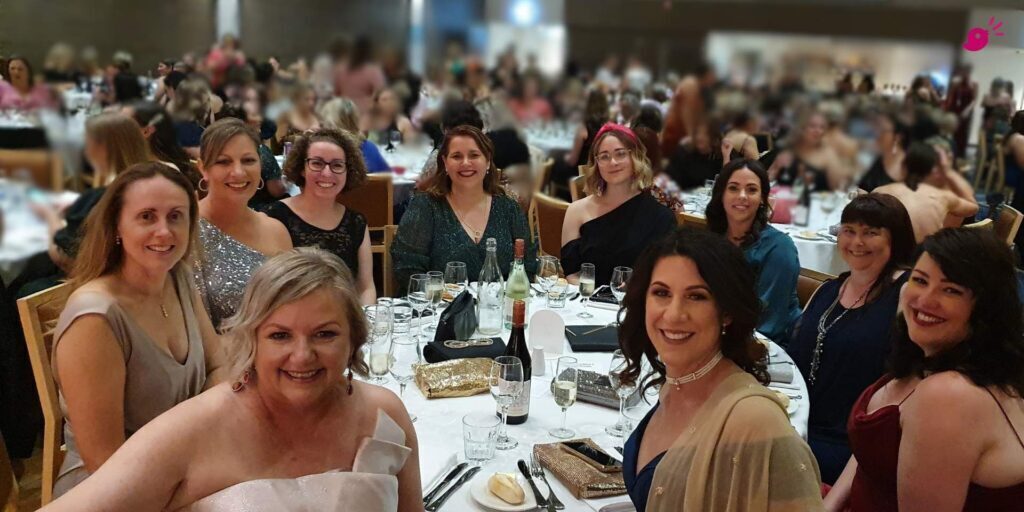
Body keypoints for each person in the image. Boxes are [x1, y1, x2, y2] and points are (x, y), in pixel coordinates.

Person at [41, 248, 421, 511]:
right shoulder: (193, 429)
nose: (302, 355)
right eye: (280, 336)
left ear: (354, 337)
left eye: (325, 334)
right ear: (251, 339)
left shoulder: (382, 416)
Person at [49, 162, 226, 497]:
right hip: (113, 492)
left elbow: (219, 364)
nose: (164, 231)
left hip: (184, 465)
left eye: (176, 216)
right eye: (147, 216)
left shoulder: (179, 278)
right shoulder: (95, 319)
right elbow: (106, 465)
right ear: (117, 226)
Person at [620, 228, 824, 512]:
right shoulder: (675, 384)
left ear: (726, 312)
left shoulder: (756, 422)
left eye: (697, 296)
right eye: (661, 292)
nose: (674, 313)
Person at [825, 228, 1024, 511]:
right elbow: (871, 456)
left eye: (951, 290)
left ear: (986, 308)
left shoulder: (949, 397)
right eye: (920, 280)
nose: (925, 300)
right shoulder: (930, 356)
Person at [788, 194, 916, 484]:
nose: (857, 242)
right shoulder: (830, 289)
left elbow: (906, 380)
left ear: (895, 239)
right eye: (849, 231)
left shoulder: (905, 294)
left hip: (848, 441)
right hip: (798, 420)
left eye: (871, 233)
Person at [392, 125, 536, 293]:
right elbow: (408, 271)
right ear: (445, 163)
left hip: (498, 309)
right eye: (456, 156)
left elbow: (528, 264)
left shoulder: (508, 208)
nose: (466, 163)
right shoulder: (425, 207)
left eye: (474, 155)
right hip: (440, 311)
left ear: (488, 161)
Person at [193, 118, 293, 331]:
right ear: (203, 168)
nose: (238, 172)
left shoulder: (277, 230)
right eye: (223, 162)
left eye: (248, 160)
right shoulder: (186, 230)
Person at [264, 128, 376, 304]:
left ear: (348, 171)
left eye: (337, 165)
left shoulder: (356, 222)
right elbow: (272, 290)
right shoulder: (275, 217)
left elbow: (365, 288)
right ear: (302, 168)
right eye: (317, 163)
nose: (327, 173)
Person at [561, 123, 675, 285]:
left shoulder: (662, 218)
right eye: (604, 156)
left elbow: (665, 276)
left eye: (620, 154)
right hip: (586, 305)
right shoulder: (576, 211)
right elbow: (572, 274)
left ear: (635, 158)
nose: (613, 162)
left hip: (635, 305)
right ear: (597, 164)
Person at [706, 159, 800, 346]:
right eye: (733, 188)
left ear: (762, 199)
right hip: (713, 335)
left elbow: (768, 322)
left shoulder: (779, 248)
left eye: (751, 190)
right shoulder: (712, 239)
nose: (742, 196)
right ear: (721, 194)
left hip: (764, 348)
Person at [874, 142, 978, 242]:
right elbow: (973, 206)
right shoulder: (944, 196)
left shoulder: (878, 192)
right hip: (924, 256)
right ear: (933, 170)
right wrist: (948, 171)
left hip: (887, 255)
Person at [213, 104, 289, 209]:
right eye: (254, 114)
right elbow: (277, 191)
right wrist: (290, 180)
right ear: (240, 121)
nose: (260, 118)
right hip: (259, 210)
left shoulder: (214, 149)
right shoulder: (260, 152)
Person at [121, 99, 200, 188]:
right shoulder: (121, 163)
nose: (116, 129)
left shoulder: (166, 173)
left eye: (124, 124)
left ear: (146, 131)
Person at [769, 111, 848, 191]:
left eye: (822, 127)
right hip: (784, 199)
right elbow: (768, 178)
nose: (817, 130)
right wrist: (776, 169)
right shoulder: (788, 150)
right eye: (812, 126)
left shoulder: (829, 154)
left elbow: (838, 188)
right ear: (802, 128)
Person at [319, 96, 390, 173]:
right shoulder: (370, 148)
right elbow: (386, 178)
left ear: (330, 124)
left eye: (322, 123)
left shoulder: (320, 152)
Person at [660, 63, 716, 155]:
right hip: (677, 131)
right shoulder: (691, 84)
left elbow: (699, 114)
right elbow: (687, 112)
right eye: (712, 75)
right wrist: (691, 136)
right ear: (706, 74)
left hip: (684, 131)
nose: (714, 79)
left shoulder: (698, 86)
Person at [662, 116, 729, 190]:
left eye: (705, 134)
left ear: (713, 136)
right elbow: (669, 180)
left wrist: (726, 156)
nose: (700, 137)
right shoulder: (684, 152)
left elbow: (727, 182)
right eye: (697, 133)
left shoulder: (719, 154)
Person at [857, 113, 909, 192]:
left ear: (897, 137)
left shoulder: (905, 163)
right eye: (877, 129)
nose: (877, 134)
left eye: (883, 131)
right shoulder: (881, 157)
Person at [272, 82, 322, 154]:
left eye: (313, 99)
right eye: (307, 99)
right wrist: (304, 137)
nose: (311, 103)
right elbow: (280, 143)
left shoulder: (317, 116)